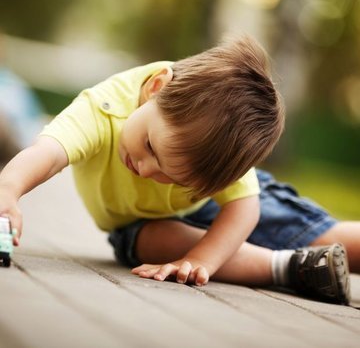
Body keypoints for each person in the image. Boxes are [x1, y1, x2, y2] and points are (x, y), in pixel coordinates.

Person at [0, 36, 355, 304]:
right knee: (152, 242)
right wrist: (9, 188)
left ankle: (307, 257)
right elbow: (49, 153)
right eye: (152, 148)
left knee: (322, 235)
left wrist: (202, 259)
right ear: (157, 88)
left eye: (174, 177)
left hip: (225, 206)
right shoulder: (104, 107)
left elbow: (245, 206)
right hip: (141, 223)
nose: (145, 169)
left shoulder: (218, 146)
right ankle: (294, 267)